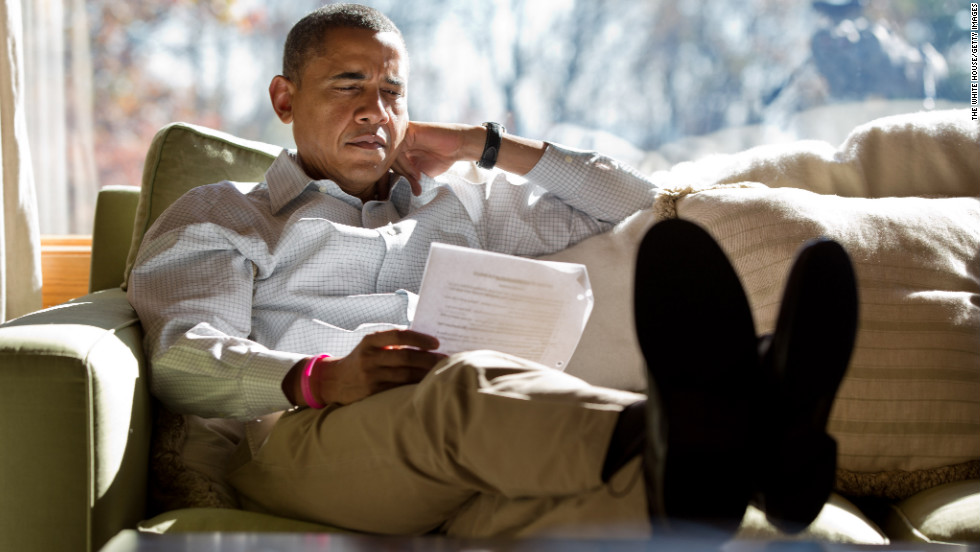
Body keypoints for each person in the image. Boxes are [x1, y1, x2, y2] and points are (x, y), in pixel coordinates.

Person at [127, 3, 858, 540]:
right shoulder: (226, 214)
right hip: (298, 438)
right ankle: (754, 429)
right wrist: (316, 376)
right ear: (285, 99)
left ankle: (726, 457)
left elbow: (636, 203)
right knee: (463, 387)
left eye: (391, 92)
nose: (376, 112)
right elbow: (181, 359)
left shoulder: (463, 204)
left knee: (593, 509)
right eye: (348, 85)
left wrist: (486, 145)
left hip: (470, 451)